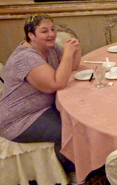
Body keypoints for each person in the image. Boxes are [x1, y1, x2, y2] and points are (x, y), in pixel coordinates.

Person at [0, 14, 82, 184]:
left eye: (52, 29)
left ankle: (81, 161)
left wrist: (75, 51)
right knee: (69, 132)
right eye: (44, 31)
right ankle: (72, 172)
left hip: (42, 109)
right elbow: (56, 83)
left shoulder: (48, 47)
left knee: (79, 119)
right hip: (19, 119)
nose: (51, 34)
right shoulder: (26, 58)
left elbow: (71, 67)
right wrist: (67, 53)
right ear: (31, 35)